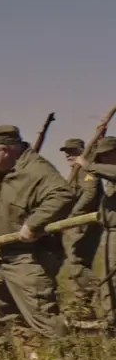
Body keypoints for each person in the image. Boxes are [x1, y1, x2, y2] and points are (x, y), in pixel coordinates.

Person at [0, 125, 74, 346]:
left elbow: (63, 194)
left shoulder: (37, 170)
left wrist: (33, 225)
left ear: (4, 149)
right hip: (1, 254)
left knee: (42, 316)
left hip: (31, 256)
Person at [71, 136, 116, 333]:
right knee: (107, 277)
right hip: (109, 231)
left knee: (113, 278)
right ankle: (110, 319)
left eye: (105, 156)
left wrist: (88, 165)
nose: (103, 161)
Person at [60, 138, 102, 315]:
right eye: (67, 152)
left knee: (78, 263)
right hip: (76, 223)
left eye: (73, 152)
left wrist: (73, 215)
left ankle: (100, 297)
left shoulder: (87, 169)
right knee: (74, 265)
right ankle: (82, 304)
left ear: (82, 152)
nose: (69, 155)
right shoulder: (74, 173)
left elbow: (90, 194)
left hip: (83, 223)